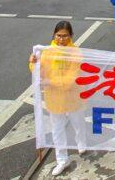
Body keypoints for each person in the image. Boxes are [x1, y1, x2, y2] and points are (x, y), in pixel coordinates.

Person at [28, 21, 86, 176]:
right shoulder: (46, 52)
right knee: (57, 129)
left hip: (72, 95)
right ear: (54, 35)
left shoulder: (76, 52)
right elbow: (39, 73)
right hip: (54, 97)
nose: (61, 39)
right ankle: (62, 160)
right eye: (59, 35)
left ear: (71, 36)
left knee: (77, 122)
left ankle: (82, 142)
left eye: (65, 36)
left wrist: (52, 82)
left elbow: (73, 77)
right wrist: (33, 63)